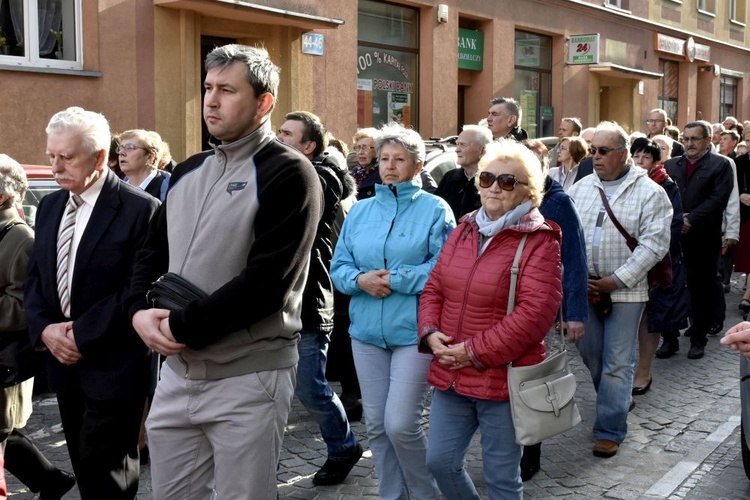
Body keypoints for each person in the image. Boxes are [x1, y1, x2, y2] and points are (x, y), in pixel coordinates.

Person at [128, 44, 322, 499]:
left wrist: (177, 325)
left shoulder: (291, 173)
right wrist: (138, 311)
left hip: (249, 377)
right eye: (207, 88)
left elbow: (267, 284)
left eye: (227, 90)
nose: (210, 100)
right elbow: (149, 254)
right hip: (176, 374)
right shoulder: (189, 170)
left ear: (264, 102)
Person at [24, 106, 159, 499]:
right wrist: (46, 329)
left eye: (66, 157)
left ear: (101, 157)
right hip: (64, 362)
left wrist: (78, 335)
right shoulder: (51, 206)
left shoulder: (140, 209)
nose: (55, 166)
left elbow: (139, 289)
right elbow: (35, 278)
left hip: (114, 362)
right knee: (86, 469)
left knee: (109, 476)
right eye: (51, 155)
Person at [419, 140, 562, 498]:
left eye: (508, 181)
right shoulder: (465, 226)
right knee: (440, 462)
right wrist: (430, 331)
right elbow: (435, 286)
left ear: (529, 190)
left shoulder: (539, 240)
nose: (495, 187)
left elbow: (535, 315)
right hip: (451, 370)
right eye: (487, 178)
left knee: (501, 478)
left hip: (504, 379)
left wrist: (474, 351)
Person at [331, 122, 455, 500]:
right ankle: (391, 495)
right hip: (365, 332)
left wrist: (396, 279)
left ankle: (424, 494)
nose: (389, 165)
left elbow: (444, 267)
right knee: (377, 426)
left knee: (401, 424)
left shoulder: (436, 209)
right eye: (384, 158)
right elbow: (339, 267)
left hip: (414, 332)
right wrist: (360, 281)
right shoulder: (360, 210)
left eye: (399, 159)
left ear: (418, 166)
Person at [568, 122, 672, 458]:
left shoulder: (650, 192)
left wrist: (619, 278)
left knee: (617, 360)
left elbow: (654, 245)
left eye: (603, 151)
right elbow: (563, 237)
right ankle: (617, 395)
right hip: (585, 289)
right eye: (592, 151)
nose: (595, 157)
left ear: (623, 154)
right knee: (591, 354)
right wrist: (573, 277)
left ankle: (609, 428)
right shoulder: (580, 188)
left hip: (626, 290)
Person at [275, 110, 363, 485]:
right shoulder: (282, 170)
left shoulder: (321, 177)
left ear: (309, 146)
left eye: (288, 134)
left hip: (309, 300)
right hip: (278, 301)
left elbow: (289, 207)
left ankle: (344, 446)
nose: (278, 138)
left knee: (311, 387)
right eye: (278, 131)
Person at [0, 155, 76, 499]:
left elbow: (23, 308)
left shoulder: (20, 240)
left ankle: (51, 480)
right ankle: (51, 480)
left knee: (2, 431)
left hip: (5, 360)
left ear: (3, 196)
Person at [518, 139, 588, 481]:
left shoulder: (558, 202)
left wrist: (574, 312)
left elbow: (574, 258)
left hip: (539, 306)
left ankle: (531, 449)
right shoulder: (501, 198)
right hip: (500, 306)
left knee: (532, 379)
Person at [663, 121, 735, 359]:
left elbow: (719, 198)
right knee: (669, 286)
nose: (690, 144)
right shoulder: (672, 164)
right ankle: (669, 337)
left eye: (695, 139)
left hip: (704, 237)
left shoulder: (720, 165)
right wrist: (676, 219)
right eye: (686, 139)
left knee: (700, 288)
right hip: (674, 236)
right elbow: (663, 197)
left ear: (707, 141)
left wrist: (691, 219)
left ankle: (698, 338)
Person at [628, 138, 690, 392]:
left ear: (656, 161)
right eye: (636, 156)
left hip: (656, 263)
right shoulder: (626, 184)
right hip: (625, 261)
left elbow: (673, 225)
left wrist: (648, 247)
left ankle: (644, 371)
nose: (640, 162)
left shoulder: (666, 185)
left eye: (645, 157)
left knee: (648, 319)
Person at [435, 124, 492, 220]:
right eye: (457, 144)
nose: (457, 150)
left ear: (483, 150)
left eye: (463, 145)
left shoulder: (492, 181)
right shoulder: (450, 177)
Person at [118, 129, 170, 202]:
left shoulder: (169, 190)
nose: (121, 152)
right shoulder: (116, 191)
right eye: (120, 148)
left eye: (129, 148)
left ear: (150, 157)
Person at [350, 128, 381, 200]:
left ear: (377, 150)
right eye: (358, 147)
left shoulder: (382, 175)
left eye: (365, 148)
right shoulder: (351, 174)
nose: (360, 152)